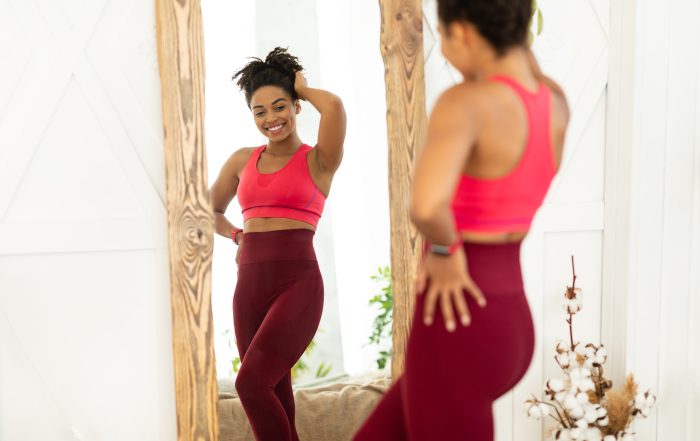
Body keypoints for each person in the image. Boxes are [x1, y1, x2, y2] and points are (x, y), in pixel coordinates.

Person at [354, 1, 569, 439]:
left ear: (465, 32)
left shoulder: (465, 103)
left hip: (457, 319)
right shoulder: (553, 99)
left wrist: (443, 249)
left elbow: (426, 206)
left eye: (444, 36)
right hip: (509, 321)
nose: (446, 54)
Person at [209, 47, 346, 441]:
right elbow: (206, 210)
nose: (271, 118)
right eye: (260, 111)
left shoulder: (318, 161)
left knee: (250, 385)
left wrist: (301, 86)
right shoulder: (241, 160)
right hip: (248, 287)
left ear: (297, 106)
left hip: (297, 285)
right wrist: (236, 234)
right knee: (274, 391)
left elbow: (334, 106)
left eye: (281, 105)